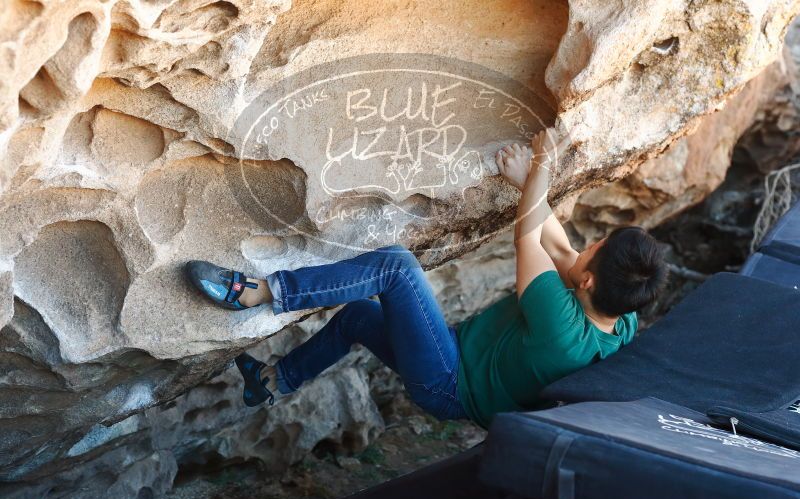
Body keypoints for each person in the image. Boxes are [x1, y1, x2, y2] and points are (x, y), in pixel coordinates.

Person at [184, 129, 668, 429]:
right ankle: (273, 381)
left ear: (586, 283)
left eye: (597, 248)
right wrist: (528, 186)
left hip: (449, 383)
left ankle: (261, 293)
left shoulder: (562, 329)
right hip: (456, 363)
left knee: (396, 267)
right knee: (357, 317)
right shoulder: (617, 319)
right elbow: (560, 247)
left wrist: (543, 166)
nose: (589, 245)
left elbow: (530, 240)